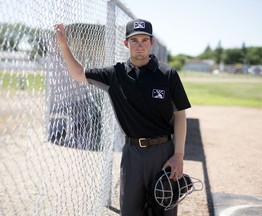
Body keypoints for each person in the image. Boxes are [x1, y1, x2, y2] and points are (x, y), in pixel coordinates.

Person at [54, 18, 191, 216]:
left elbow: (180, 114)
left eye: (144, 40)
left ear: (151, 43)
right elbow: (79, 74)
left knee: (164, 207)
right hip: (132, 154)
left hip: (163, 152)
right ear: (126, 43)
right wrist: (64, 45)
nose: (140, 45)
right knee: (130, 210)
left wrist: (178, 155)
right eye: (134, 40)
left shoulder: (167, 74)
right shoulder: (115, 74)